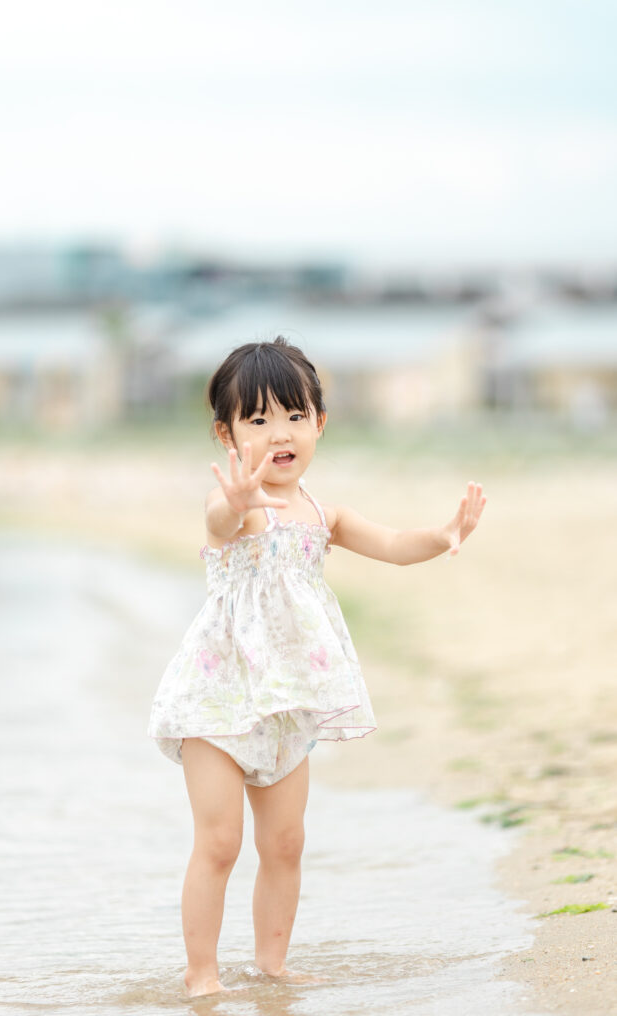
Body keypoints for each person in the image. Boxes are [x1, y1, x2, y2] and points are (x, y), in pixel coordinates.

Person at [148, 336, 487, 997]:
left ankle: (271, 967)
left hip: (285, 707)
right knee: (219, 843)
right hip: (216, 703)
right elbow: (220, 520)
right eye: (257, 419)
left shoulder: (322, 514)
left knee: (285, 844)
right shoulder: (241, 507)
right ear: (225, 433)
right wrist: (239, 498)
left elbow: (389, 543)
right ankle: (202, 976)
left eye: (294, 415)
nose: (279, 432)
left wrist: (442, 534)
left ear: (319, 423)